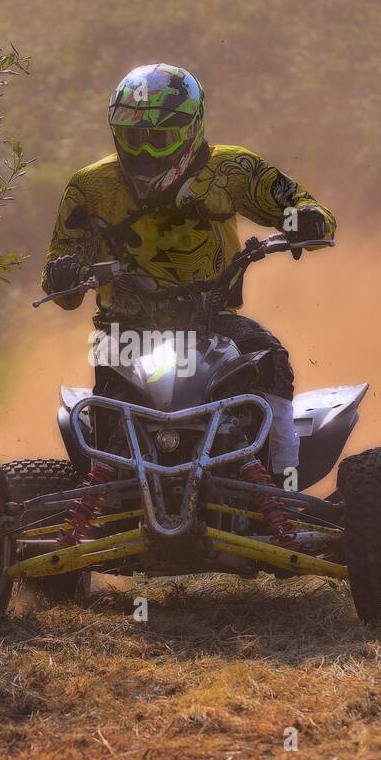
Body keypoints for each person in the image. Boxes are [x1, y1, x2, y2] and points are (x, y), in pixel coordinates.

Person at [41, 63, 335, 483]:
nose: (143, 151)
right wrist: (62, 274)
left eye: (157, 138)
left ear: (190, 129)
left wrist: (308, 219)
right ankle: (102, 492)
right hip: (126, 330)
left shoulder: (232, 169)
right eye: (132, 138)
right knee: (103, 416)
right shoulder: (90, 187)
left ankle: (282, 482)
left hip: (214, 323)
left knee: (271, 360)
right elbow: (62, 276)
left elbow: (298, 202)